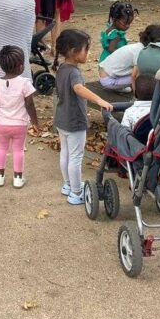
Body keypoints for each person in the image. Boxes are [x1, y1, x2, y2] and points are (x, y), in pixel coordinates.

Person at [53, 28, 113, 206]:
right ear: (73, 51)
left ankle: (68, 185)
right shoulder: (74, 72)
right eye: (86, 49)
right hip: (74, 121)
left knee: (66, 152)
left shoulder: (62, 68)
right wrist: (99, 100)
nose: (88, 53)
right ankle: (76, 192)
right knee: (76, 157)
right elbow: (78, 88)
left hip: (61, 118)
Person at [0, 45, 40, 189]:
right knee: (18, 150)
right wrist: (35, 122)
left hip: (2, 125)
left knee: (1, 149)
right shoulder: (24, 83)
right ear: (21, 66)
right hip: (19, 125)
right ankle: (18, 178)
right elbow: (30, 104)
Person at [101, 23, 160, 92]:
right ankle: (124, 88)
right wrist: (136, 93)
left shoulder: (137, 46)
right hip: (108, 80)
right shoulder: (141, 52)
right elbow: (134, 76)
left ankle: (120, 86)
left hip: (105, 74)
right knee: (144, 74)